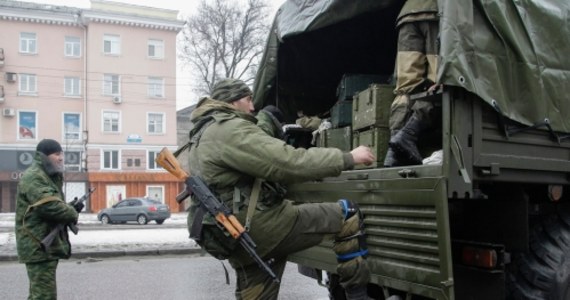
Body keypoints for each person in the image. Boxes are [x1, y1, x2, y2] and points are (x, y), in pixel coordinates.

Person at [187, 78, 376, 300]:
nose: (252, 107)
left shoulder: (203, 132)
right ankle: (357, 296)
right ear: (233, 101)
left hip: (229, 233)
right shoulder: (229, 129)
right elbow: (287, 162)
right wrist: (348, 157)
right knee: (347, 215)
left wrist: (268, 121)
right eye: (248, 100)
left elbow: (251, 154)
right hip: (259, 227)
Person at [15, 139, 84, 300]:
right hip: (37, 245)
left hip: (42, 246)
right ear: (44, 156)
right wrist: (71, 213)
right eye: (56, 154)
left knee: (38, 294)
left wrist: (70, 207)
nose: (61, 158)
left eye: (62, 154)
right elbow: (49, 206)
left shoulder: (46, 175)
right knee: (44, 296)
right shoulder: (34, 176)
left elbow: (51, 203)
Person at [384, 0, 439, 167]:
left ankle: (393, 151)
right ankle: (406, 135)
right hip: (435, 11)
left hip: (408, 14)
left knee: (406, 88)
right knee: (440, 81)